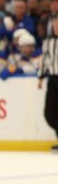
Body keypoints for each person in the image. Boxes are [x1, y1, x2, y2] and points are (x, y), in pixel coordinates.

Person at [37, 14, 58, 150]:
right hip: (53, 78)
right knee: (49, 113)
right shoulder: (48, 42)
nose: (56, 27)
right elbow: (44, 59)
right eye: (55, 25)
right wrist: (40, 77)